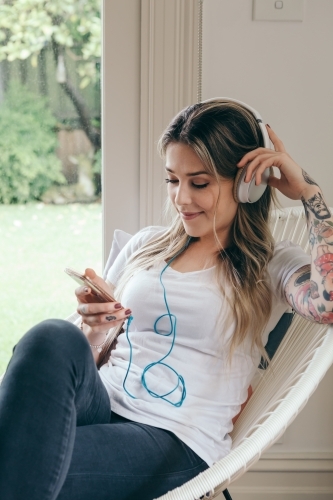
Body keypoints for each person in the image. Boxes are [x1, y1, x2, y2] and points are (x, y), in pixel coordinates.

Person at [0, 99, 332, 500]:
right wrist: (95, 327)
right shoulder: (146, 245)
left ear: (247, 184)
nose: (181, 199)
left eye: (200, 182)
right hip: (102, 403)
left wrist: (308, 192)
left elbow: (327, 303)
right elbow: (97, 356)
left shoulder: (271, 264)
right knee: (51, 337)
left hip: (173, 438)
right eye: (173, 180)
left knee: (20, 461)